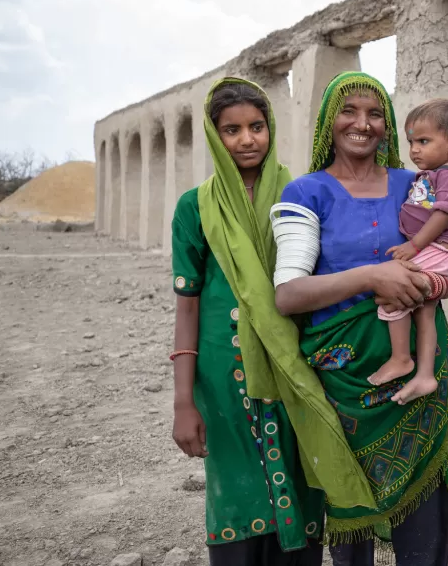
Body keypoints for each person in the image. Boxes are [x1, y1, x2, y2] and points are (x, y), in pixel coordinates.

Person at [271, 72, 448, 566]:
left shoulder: (417, 183)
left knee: (424, 529)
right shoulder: (306, 193)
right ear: (326, 122)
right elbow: (288, 295)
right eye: (349, 111)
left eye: (375, 113)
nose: (362, 123)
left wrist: (440, 282)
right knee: (349, 522)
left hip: (421, 381)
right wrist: (371, 276)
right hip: (345, 385)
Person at [169, 78, 325, 565]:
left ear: (270, 128)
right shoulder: (195, 207)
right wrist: (182, 402)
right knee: (235, 495)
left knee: (304, 483)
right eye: (231, 130)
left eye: (256, 126)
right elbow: (188, 304)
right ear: (216, 137)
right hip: (222, 376)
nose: (246, 139)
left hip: (296, 367)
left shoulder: (301, 194)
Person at [371, 99, 448, 406]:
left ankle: (402, 357)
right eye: (412, 142)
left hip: (439, 250)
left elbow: (444, 215)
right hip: (432, 250)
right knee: (424, 311)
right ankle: (425, 375)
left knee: (396, 292)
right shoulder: (427, 175)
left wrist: (413, 246)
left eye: (424, 141)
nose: (415, 150)